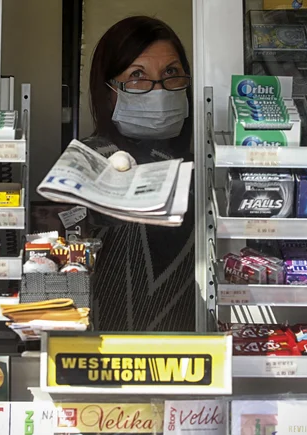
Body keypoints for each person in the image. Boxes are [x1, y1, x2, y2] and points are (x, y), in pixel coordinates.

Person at [83, 16, 195, 332]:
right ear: (108, 92)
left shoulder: (204, 161)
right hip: (109, 357)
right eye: (137, 76)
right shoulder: (89, 161)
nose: (158, 89)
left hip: (198, 353)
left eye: (171, 73)